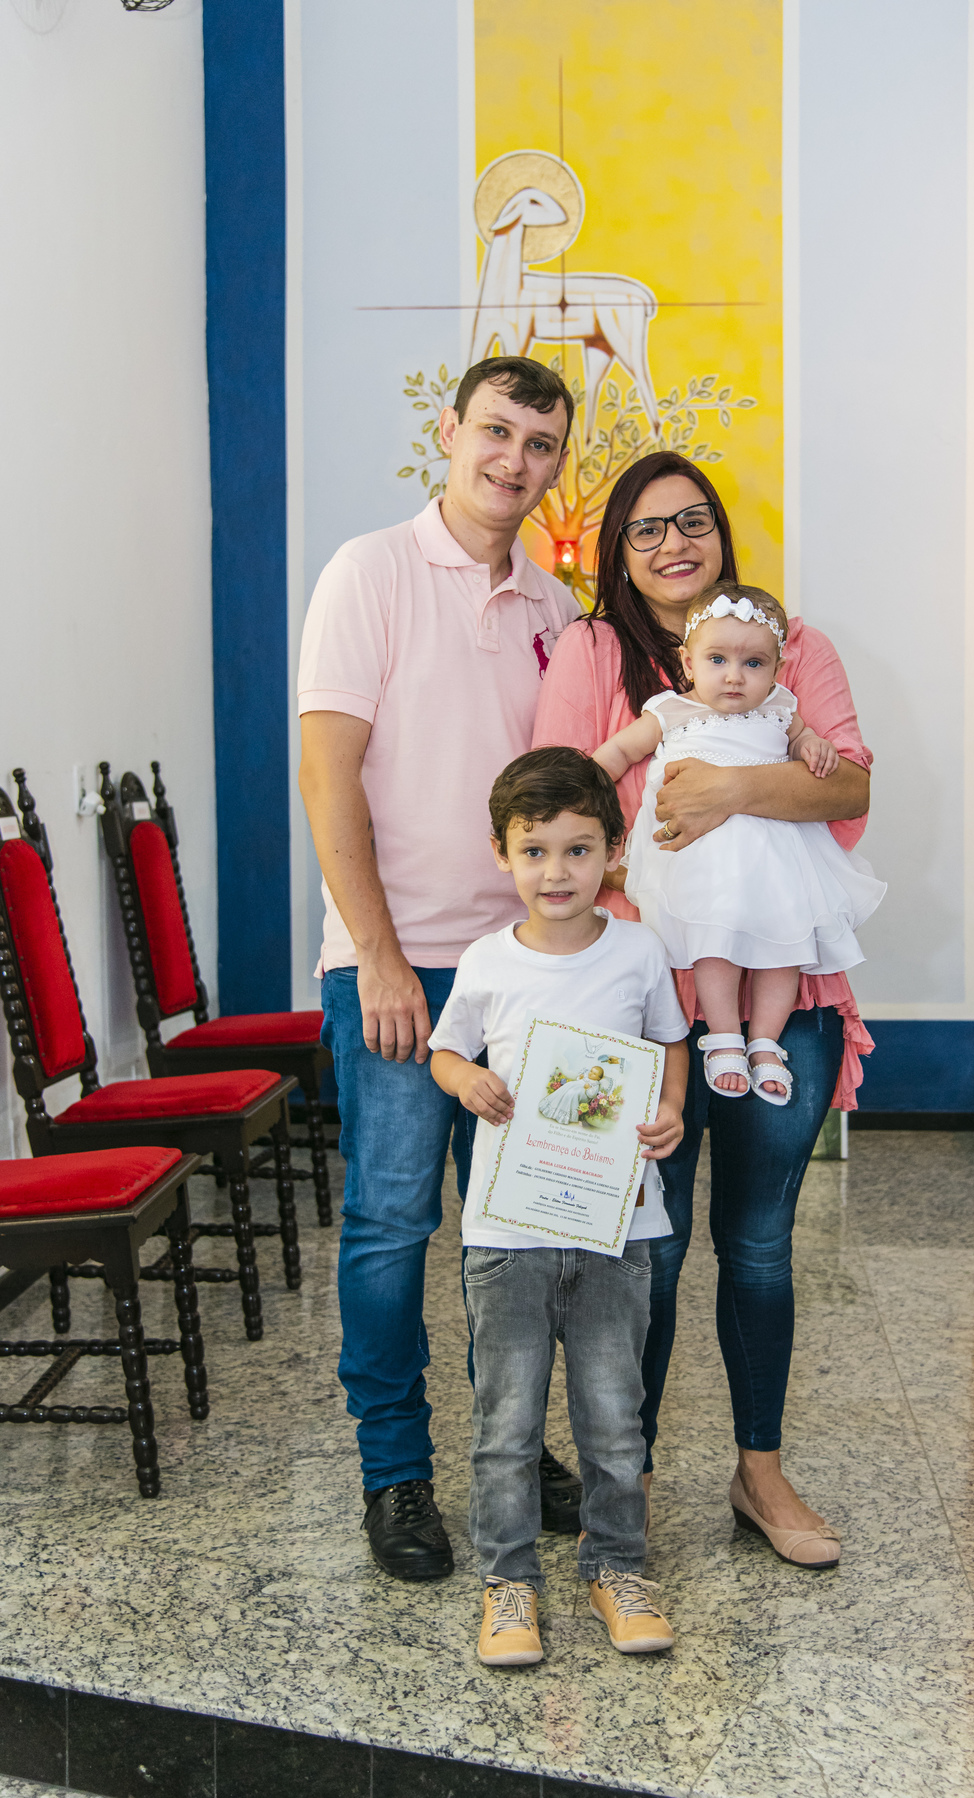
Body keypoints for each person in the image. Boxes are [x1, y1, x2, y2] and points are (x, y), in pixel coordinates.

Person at [533, 450, 874, 1568]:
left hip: (786, 987)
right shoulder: (595, 654)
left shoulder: (794, 645)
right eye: (646, 528)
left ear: (722, 532)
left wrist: (728, 788)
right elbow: (558, 797)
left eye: (693, 521)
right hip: (639, 999)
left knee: (760, 1244)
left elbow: (850, 783)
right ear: (619, 552)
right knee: (652, 1246)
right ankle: (623, 1473)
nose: (673, 543)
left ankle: (759, 1471)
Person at [297, 357, 589, 1583]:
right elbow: (328, 773)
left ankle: (513, 1444)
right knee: (390, 1224)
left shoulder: (556, 608)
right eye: (496, 431)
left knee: (514, 1232)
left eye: (540, 443)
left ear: (558, 462)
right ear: (449, 431)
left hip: (520, 969)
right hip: (399, 963)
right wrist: (377, 956)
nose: (514, 460)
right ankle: (396, 1470)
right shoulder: (368, 571)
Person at [428, 748, 689, 1665]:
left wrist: (670, 1108)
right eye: (534, 851)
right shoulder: (485, 961)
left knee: (616, 1421)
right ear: (502, 854)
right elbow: (444, 1051)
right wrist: (467, 1082)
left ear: (613, 852)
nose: (556, 872)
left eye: (578, 850)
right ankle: (509, 1585)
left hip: (620, 1229)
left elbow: (669, 1042)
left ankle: (617, 1568)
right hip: (508, 1236)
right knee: (505, 1426)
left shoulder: (640, 951)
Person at [594, 581, 885, 1102]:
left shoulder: (781, 709)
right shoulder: (670, 710)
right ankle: (725, 1034)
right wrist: (583, 791)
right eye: (717, 660)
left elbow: (806, 742)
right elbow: (615, 755)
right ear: (688, 662)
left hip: (775, 857)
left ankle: (766, 1041)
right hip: (701, 862)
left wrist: (813, 745)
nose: (734, 675)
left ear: (776, 669)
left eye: (753, 663)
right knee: (713, 942)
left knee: (786, 945)